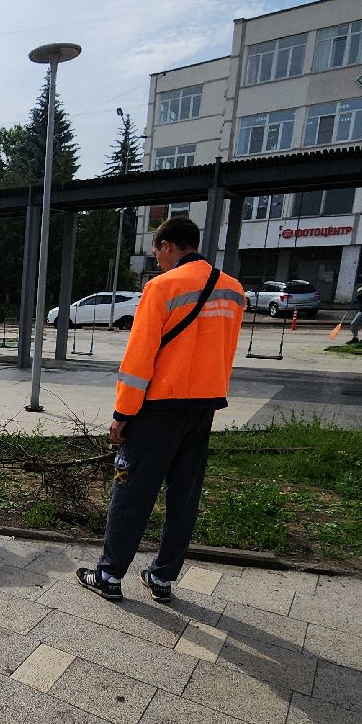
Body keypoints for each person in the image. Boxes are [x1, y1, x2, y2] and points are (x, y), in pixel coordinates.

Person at [78, 216, 246, 603]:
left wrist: (122, 414)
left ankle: (108, 574)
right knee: (184, 496)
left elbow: (139, 360)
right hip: (204, 408)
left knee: (131, 490)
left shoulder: (162, 287)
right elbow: (224, 351)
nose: (156, 261)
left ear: (168, 245)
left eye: (156, 253)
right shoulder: (234, 291)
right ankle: (162, 578)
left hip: (158, 409)